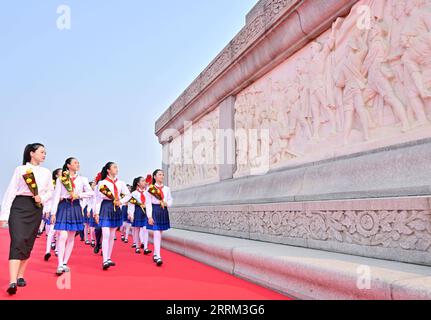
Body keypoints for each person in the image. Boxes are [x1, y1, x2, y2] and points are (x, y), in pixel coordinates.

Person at [0, 143, 54, 295]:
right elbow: (10, 191)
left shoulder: (46, 172)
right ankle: (12, 282)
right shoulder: (21, 170)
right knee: (17, 240)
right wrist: (4, 215)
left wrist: (41, 197)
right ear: (32, 153)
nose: (44, 155)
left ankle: (20, 275)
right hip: (19, 205)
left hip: (35, 208)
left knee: (28, 242)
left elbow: (51, 190)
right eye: (42, 152)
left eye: (45, 152)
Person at [50, 158, 94, 275]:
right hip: (64, 206)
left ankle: (65, 262)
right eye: (75, 163)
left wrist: (78, 195)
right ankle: (59, 264)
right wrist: (53, 213)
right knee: (62, 235)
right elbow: (56, 196)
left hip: (75, 206)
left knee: (71, 237)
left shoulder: (82, 179)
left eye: (78, 163)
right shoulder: (62, 179)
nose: (77, 164)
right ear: (68, 165)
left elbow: (91, 192)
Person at [93, 162, 131, 270]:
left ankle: (108, 257)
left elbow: (128, 195)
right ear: (108, 170)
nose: (117, 169)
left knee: (112, 234)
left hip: (116, 208)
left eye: (117, 167)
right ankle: (104, 259)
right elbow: (98, 199)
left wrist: (121, 201)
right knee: (105, 233)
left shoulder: (121, 183)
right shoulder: (102, 183)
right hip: (105, 207)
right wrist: (96, 212)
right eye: (114, 167)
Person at [146, 169, 173, 267]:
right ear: (154, 177)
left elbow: (170, 199)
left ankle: (155, 253)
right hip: (155, 210)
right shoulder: (150, 189)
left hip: (163, 210)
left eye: (163, 174)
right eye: (160, 174)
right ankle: (158, 256)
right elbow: (148, 203)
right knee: (157, 233)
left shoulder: (166, 189)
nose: (162, 176)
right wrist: (149, 216)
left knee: (160, 232)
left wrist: (167, 203)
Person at [128, 176, 152, 255]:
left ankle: (145, 247)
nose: (144, 182)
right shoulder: (134, 193)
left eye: (145, 181)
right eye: (142, 181)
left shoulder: (148, 192)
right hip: (137, 211)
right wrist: (131, 214)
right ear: (138, 183)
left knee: (145, 229)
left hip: (146, 211)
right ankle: (137, 246)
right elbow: (131, 204)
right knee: (137, 229)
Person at [44, 168, 62, 262]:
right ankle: (47, 251)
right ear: (56, 176)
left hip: (62, 210)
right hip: (52, 210)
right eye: (61, 173)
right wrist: (47, 210)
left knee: (60, 231)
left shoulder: (66, 185)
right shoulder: (52, 186)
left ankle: (57, 249)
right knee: (52, 231)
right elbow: (48, 199)